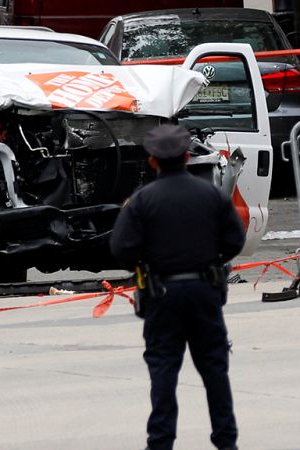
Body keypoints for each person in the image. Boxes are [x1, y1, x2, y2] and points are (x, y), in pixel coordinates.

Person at [110, 124, 246, 450]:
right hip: (204, 291)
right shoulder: (211, 194)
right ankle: (226, 441)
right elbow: (235, 240)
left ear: (152, 161)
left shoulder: (142, 201)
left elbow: (121, 248)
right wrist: (212, 258)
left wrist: (146, 262)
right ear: (187, 157)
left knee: (163, 369)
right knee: (214, 368)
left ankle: (160, 443)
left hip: (162, 294)